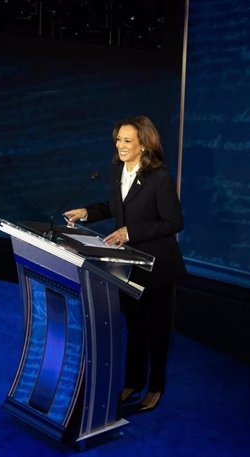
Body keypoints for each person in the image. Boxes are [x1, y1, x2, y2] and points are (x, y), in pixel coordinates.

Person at [64, 115, 186, 413]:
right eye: (118, 139)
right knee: (134, 326)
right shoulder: (117, 169)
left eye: (127, 140)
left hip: (157, 267)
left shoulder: (159, 178)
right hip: (128, 264)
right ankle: (133, 380)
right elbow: (117, 206)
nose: (120, 145)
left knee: (156, 330)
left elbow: (173, 222)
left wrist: (130, 232)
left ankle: (155, 386)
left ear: (144, 144)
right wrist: (87, 213)